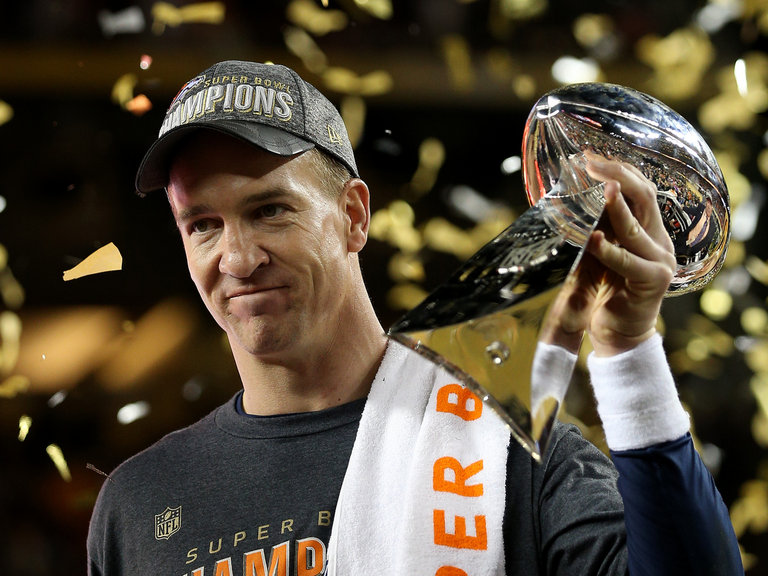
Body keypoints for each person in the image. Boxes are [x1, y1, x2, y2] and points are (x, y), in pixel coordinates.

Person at [87, 60, 743, 575]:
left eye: (270, 211)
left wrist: (628, 355)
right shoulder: (137, 502)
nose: (237, 257)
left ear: (353, 216)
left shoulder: (503, 449)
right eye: (203, 225)